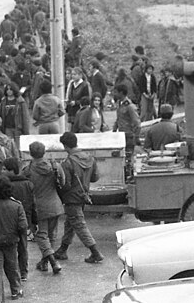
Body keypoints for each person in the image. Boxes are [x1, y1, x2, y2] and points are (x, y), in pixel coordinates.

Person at [53, 132, 103, 264]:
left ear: (65, 146)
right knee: (70, 223)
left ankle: (95, 252)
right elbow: (95, 177)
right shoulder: (90, 158)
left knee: (79, 225)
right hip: (83, 196)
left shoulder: (68, 162)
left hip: (71, 198)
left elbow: (66, 184)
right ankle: (62, 250)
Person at [22, 141, 63, 275]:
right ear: (44, 152)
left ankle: (52, 262)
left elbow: (26, 189)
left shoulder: (27, 170)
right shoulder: (55, 166)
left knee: (41, 236)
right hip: (55, 204)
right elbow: (63, 182)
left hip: (39, 207)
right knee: (51, 235)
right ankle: (44, 262)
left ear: (30, 153)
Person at [3, 157, 37, 281]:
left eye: (4, 169)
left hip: (8, 221)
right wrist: (34, 222)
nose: (2, 171)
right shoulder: (28, 184)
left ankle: (13, 271)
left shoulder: (5, 184)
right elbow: (33, 204)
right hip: (24, 220)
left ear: (12, 170)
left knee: (11, 247)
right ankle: (24, 272)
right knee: (23, 247)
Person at [112, 84, 140, 155]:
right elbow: (119, 118)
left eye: (116, 92)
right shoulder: (119, 103)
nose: (114, 94)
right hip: (121, 135)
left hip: (129, 136)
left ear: (121, 93)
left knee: (129, 157)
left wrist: (136, 136)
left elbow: (137, 123)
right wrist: (114, 130)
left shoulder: (130, 106)